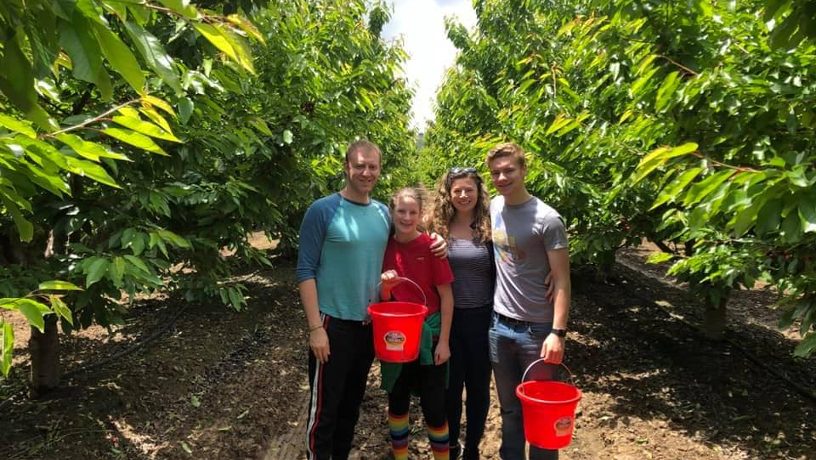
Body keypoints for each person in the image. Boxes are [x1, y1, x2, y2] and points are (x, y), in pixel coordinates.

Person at [297, 141, 446, 460]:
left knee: (350, 408)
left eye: (373, 166)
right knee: (324, 412)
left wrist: (437, 239)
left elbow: (411, 230)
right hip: (332, 325)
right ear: (346, 167)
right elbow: (305, 270)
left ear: (379, 170)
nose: (367, 172)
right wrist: (315, 328)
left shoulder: (382, 213)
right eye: (360, 165)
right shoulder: (323, 210)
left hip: (369, 327)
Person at [486, 142, 571, 460]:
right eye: (496, 172)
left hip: (537, 330)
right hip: (499, 326)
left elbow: (562, 278)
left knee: (541, 411)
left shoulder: (547, 219)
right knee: (509, 409)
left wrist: (557, 332)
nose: (502, 177)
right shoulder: (494, 206)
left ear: (524, 170)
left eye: (509, 170)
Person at [380, 186, 454, 460]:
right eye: (401, 211)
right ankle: (400, 456)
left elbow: (446, 297)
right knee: (397, 402)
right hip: (396, 337)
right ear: (392, 212)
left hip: (429, 337)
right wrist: (387, 288)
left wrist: (444, 341)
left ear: (421, 215)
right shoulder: (384, 246)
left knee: (434, 408)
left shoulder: (431, 248)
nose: (407, 217)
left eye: (413, 212)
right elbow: (384, 298)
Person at [428, 168, 494, 460]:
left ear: (479, 192)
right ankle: (451, 445)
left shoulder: (491, 227)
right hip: (449, 321)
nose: (463, 195)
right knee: (450, 389)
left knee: (478, 388)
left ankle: (473, 448)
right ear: (448, 194)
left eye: (469, 189)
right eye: (458, 190)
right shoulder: (436, 226)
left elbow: (516, 260)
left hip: (483, 319)